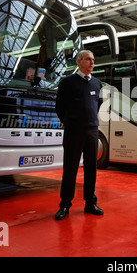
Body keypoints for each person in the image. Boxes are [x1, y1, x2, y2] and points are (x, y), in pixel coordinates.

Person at [54, 50, 104, 220]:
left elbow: (97, 105)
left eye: (93, 60)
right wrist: (71, 122)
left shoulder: (97, 84)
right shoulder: (67, 82)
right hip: (73, 131)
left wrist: (90, 121)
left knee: (92, 168)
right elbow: (60, 107)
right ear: (79, 61)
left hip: (92, 131)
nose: (92, 63)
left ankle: (90, 202)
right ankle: (65, 205)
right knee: (70, 168)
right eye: (88, 59)